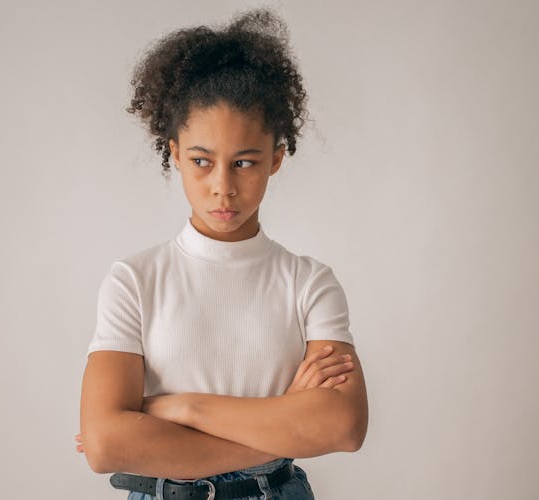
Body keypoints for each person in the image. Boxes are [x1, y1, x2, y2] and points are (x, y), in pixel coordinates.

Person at [76, 7, 368, 500]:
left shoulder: (309, 283)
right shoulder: (135, 280)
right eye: (201, 162)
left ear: (276, 157)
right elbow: (106, 444)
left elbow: (342, 426)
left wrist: (181, 408)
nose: (222, 188)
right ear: (174, 153)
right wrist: (281, 424)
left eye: (244, 162)